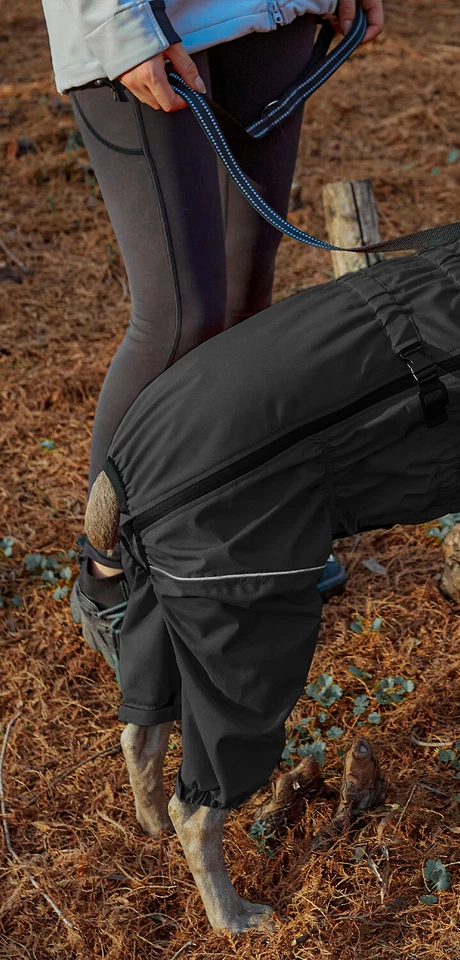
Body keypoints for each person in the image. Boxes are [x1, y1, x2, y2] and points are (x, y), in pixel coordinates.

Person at [42, 0, 384, 675]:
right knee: (180, 319)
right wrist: (116, 24)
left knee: (244, 296)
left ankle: (228, 532)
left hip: (273, 18)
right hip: (145, 27)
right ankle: (107, 570)